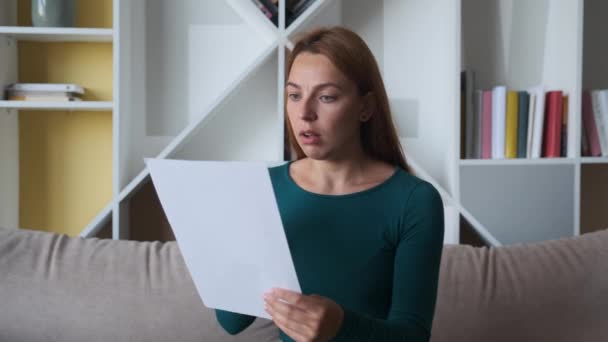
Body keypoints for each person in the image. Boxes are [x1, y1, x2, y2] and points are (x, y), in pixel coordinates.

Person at [216, 26, 444, 342]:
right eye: (294, 95)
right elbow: (231, 321)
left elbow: (413, 336)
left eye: (326, 97)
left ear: (365, 107)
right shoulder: (263, 190)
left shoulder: (414, 201)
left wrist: (340, 327)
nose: (305, 114)